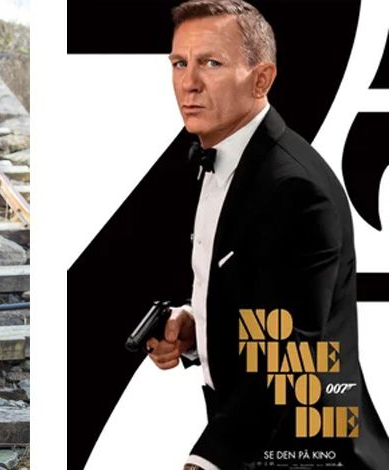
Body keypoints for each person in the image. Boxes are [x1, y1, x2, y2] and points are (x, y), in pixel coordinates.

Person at [144, 1, 389, 468]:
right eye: (180, 63)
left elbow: (292, 353)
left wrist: (208, 461)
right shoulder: (223, 156)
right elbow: (260, 293)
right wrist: (197, 327)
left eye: (210, 63)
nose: (188, 82)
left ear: (262, 79)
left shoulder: (295, 189)